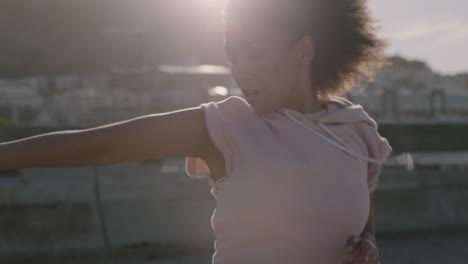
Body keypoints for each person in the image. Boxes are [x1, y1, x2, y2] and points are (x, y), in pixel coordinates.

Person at [0, 0, 392, 263]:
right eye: (232, 57)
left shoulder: (355, 129)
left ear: (304, 50)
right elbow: (96, 146)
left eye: (255, 53)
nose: (241, 71)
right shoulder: (226, 125)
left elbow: (365, 195)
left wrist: (369, 241)